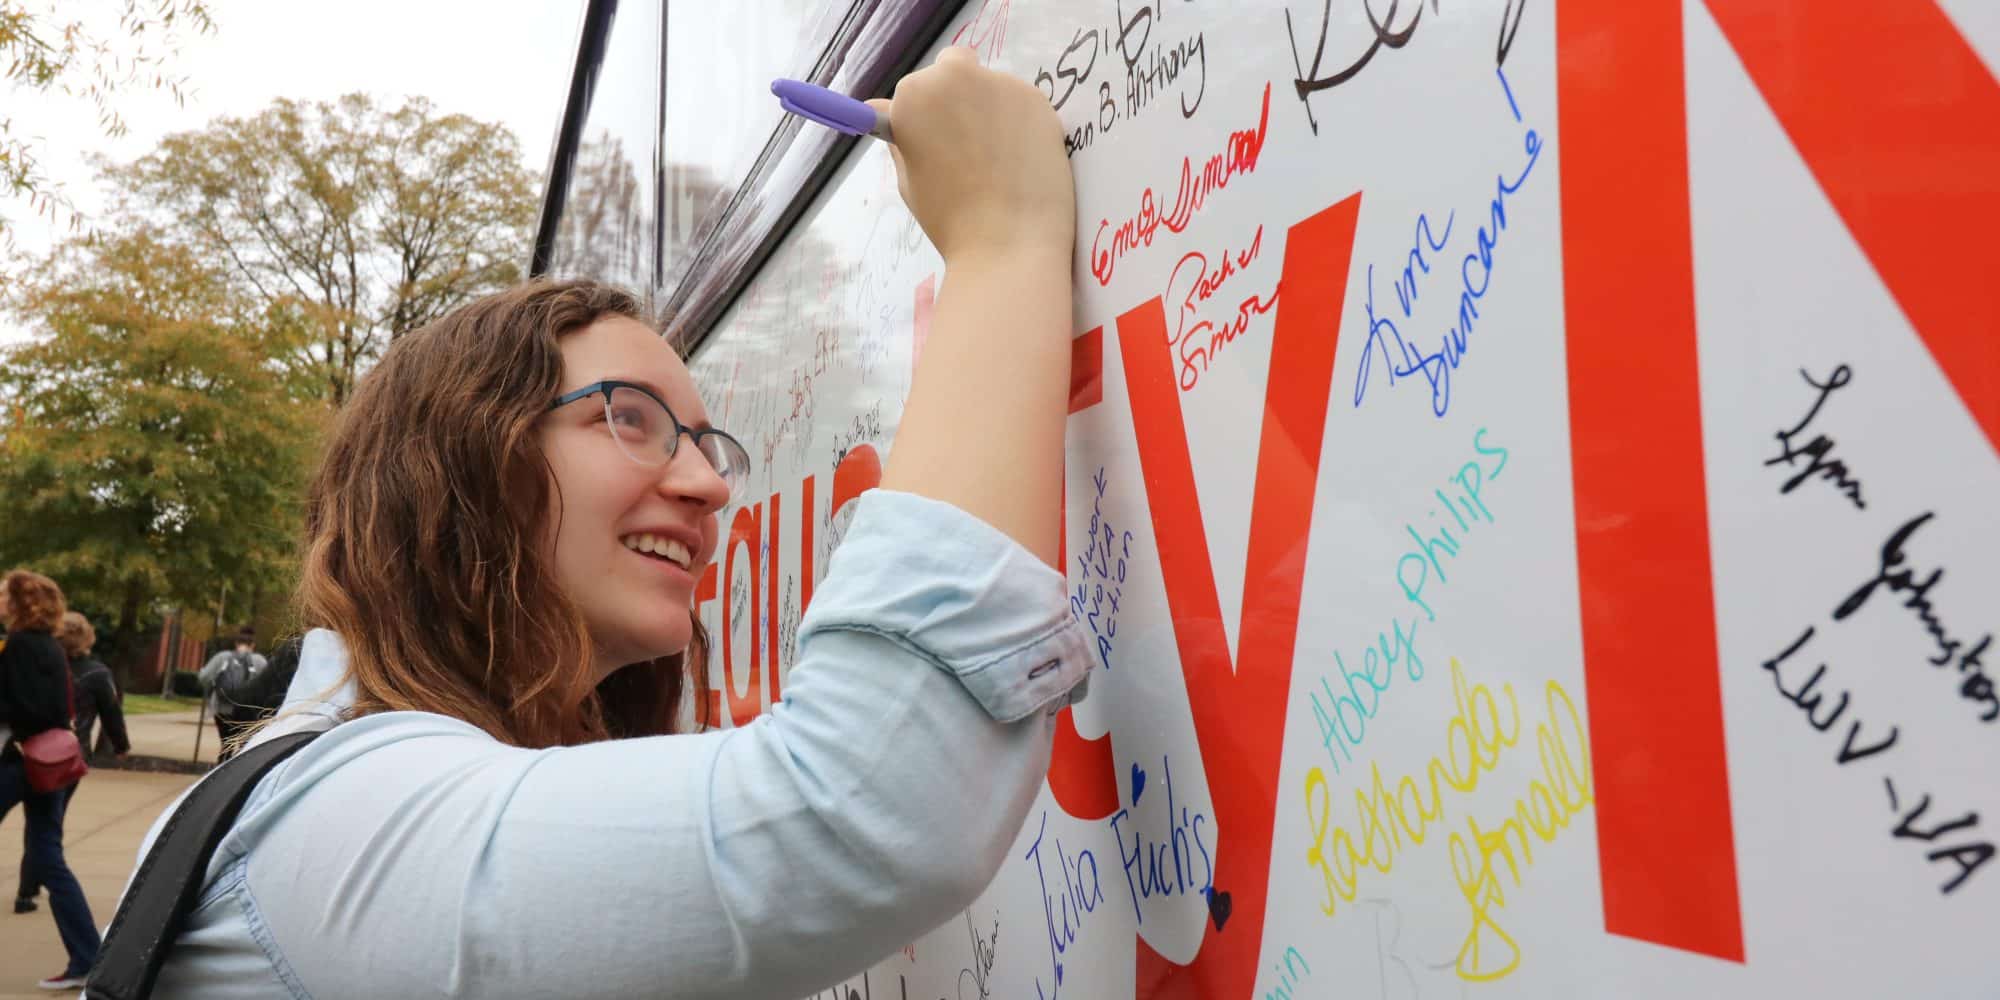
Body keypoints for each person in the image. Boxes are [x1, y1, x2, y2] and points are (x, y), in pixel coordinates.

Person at [130, 49, 1080, 998]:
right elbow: (866, 806)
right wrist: (1004, 239)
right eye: (627, 417)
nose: (709, 485)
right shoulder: (343, 824)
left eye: (710, 446)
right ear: (457, 466)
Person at [0, 570, 101, 990]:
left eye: (4, 594)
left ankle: (86, 956)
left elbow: (25, 707)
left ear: (22, 602)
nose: (0, 600)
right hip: (51, 763)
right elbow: (60, 708)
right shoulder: (52, 648)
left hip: (21, 760)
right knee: (47, 856)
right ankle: (88, 957)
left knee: (47, 855)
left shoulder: (20, 644)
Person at [15, 611, 128, 916]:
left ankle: (28, 887)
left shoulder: (43, 665)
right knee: (50, 822)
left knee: (37, 820)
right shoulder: (96, 673)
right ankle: (30, 885)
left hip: (29, 750)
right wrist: (120, 746)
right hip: (67, 756)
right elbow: (111, 712)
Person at [197, 626, 266, 760]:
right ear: (253, 645)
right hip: (247, 711)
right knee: (244, 746)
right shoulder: (259, 660)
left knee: (226, 743)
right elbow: (268, 684)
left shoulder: (222, 657)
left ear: (236, 644)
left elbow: (204, 678)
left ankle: (221, 771)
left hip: (223, 708)